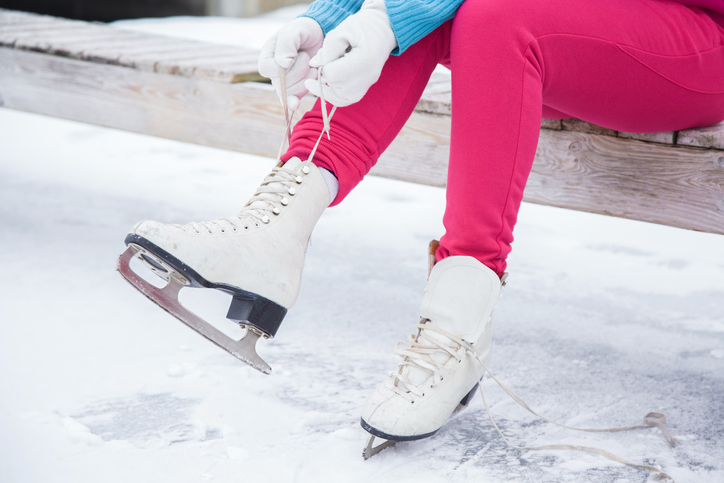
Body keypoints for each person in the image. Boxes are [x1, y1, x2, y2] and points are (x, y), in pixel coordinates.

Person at [122, 0, 724, 447]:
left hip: (701, 38)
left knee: (492, 17)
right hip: (594, 23)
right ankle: (271, 231)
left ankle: (459, 326)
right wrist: (332, 19)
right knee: (430, 12)